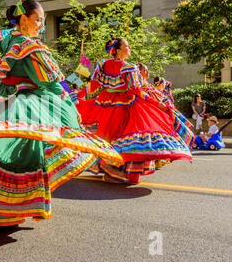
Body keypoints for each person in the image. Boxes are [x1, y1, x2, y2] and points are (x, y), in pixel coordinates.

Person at [0, 0, 123, 227]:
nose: (41, 26)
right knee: (25, 151)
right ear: (23, 19)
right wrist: (67, 103)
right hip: (27, 102)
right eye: (38, 20)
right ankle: (11, 206)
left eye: (43, 21)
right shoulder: (32, 47)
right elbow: (49, 82)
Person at [76, 37, 192, 183]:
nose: (129, 47)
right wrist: (156, 104)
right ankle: (118, 172)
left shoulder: (103, 64)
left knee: (107, 136)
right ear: (118, 51)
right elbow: (137, 91)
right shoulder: (127, 67)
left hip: (105, 104)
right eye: (126, 45)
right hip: (124, 105)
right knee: (126, 137)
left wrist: (76, 96)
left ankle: (111, 169)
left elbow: (93, 86)